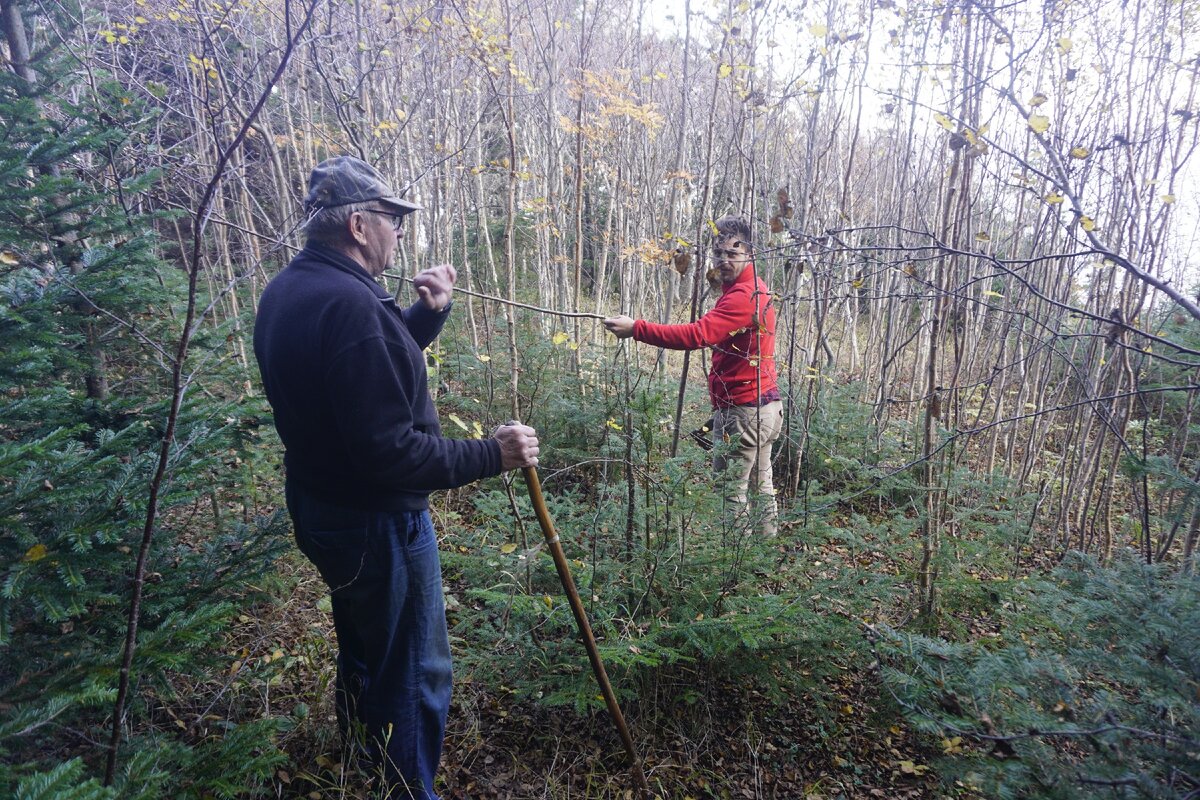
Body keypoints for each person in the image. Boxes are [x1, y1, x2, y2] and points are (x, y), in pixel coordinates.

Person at [253, 155, 539, 799]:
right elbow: (390, 452)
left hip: (324, 507)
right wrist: (491, 454)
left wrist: (427, 316)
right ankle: (408, 791)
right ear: (358, 225)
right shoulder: (350, 305)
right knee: (414, 669)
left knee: (367, 650)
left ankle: (365, 767)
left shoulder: (292, 289)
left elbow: (358, 381)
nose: (400, 231)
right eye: (392, 219)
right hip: (377, 521)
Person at [603, 216, 783, 535]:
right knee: (760, 484)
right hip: (765, 407)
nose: (724, 260)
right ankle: (764, 559)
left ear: (750, 254)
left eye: (733, 252)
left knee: (731, 493)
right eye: (719, 253)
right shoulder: (753, 289)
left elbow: (697, 335)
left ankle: (734, 569)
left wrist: (637, 329)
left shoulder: (745, 296)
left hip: (743, 412)